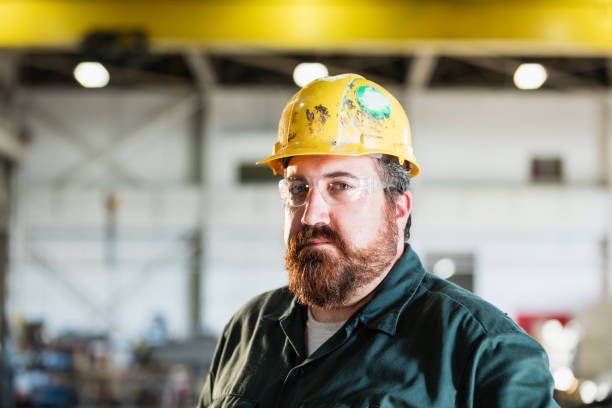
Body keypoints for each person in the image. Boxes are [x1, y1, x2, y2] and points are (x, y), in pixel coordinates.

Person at [197, 74, 559, 407]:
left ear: (398, 208)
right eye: (298, 188)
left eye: (340, 186)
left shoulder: (484, 353)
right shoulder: (248, 331)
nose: (310, 214)